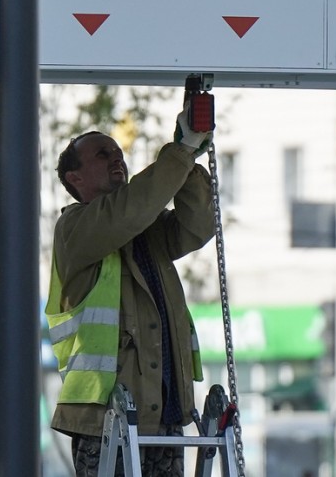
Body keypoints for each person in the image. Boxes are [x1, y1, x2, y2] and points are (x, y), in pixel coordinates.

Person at [46, 102, 215, 477]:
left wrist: (187, 168)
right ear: (75, 179)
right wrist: (180, 153)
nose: (116, 159)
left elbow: (198, 227)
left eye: (118, 152)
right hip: (108, 423)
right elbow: (130, 210)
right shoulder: (74, 229)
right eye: (102, 154)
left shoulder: (146, 231)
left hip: (165, 414)